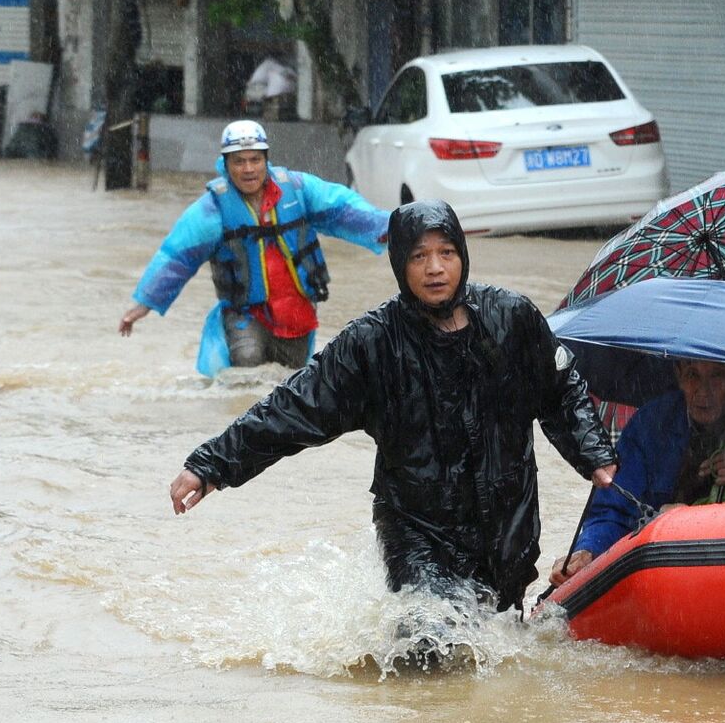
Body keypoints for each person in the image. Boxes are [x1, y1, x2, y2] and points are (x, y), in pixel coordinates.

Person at [167, 200, 617, 613]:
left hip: (506, 523)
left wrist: (595, 457)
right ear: (400, 264)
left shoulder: (511, 318)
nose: (435, 268)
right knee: (428, 641)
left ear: (463, 255)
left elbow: (562, 390)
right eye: (419, 256)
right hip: (415, 528)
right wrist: (212, 465)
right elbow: (293, 407)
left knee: (495, 645)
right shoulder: (372, 343)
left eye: (446, 253)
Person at [120, 119, 388, 376]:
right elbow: (177, 257)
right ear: (226, 164)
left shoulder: (297, 189)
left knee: (290, 384)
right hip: (245, 315)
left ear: (266, 160)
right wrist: (145, 303)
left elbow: (342, 207)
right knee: (247, 370)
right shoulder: (212, 210)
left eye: (255, 159)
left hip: (296, 315)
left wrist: (386, 228)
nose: (248, 169)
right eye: (239, 161)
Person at [551, 360, 725, 586]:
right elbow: (613, 511)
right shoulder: (650, 424)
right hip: (663, 569)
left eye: (717, 376)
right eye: (692, 375)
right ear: (678, 374)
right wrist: (588, 550)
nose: (703, 392)